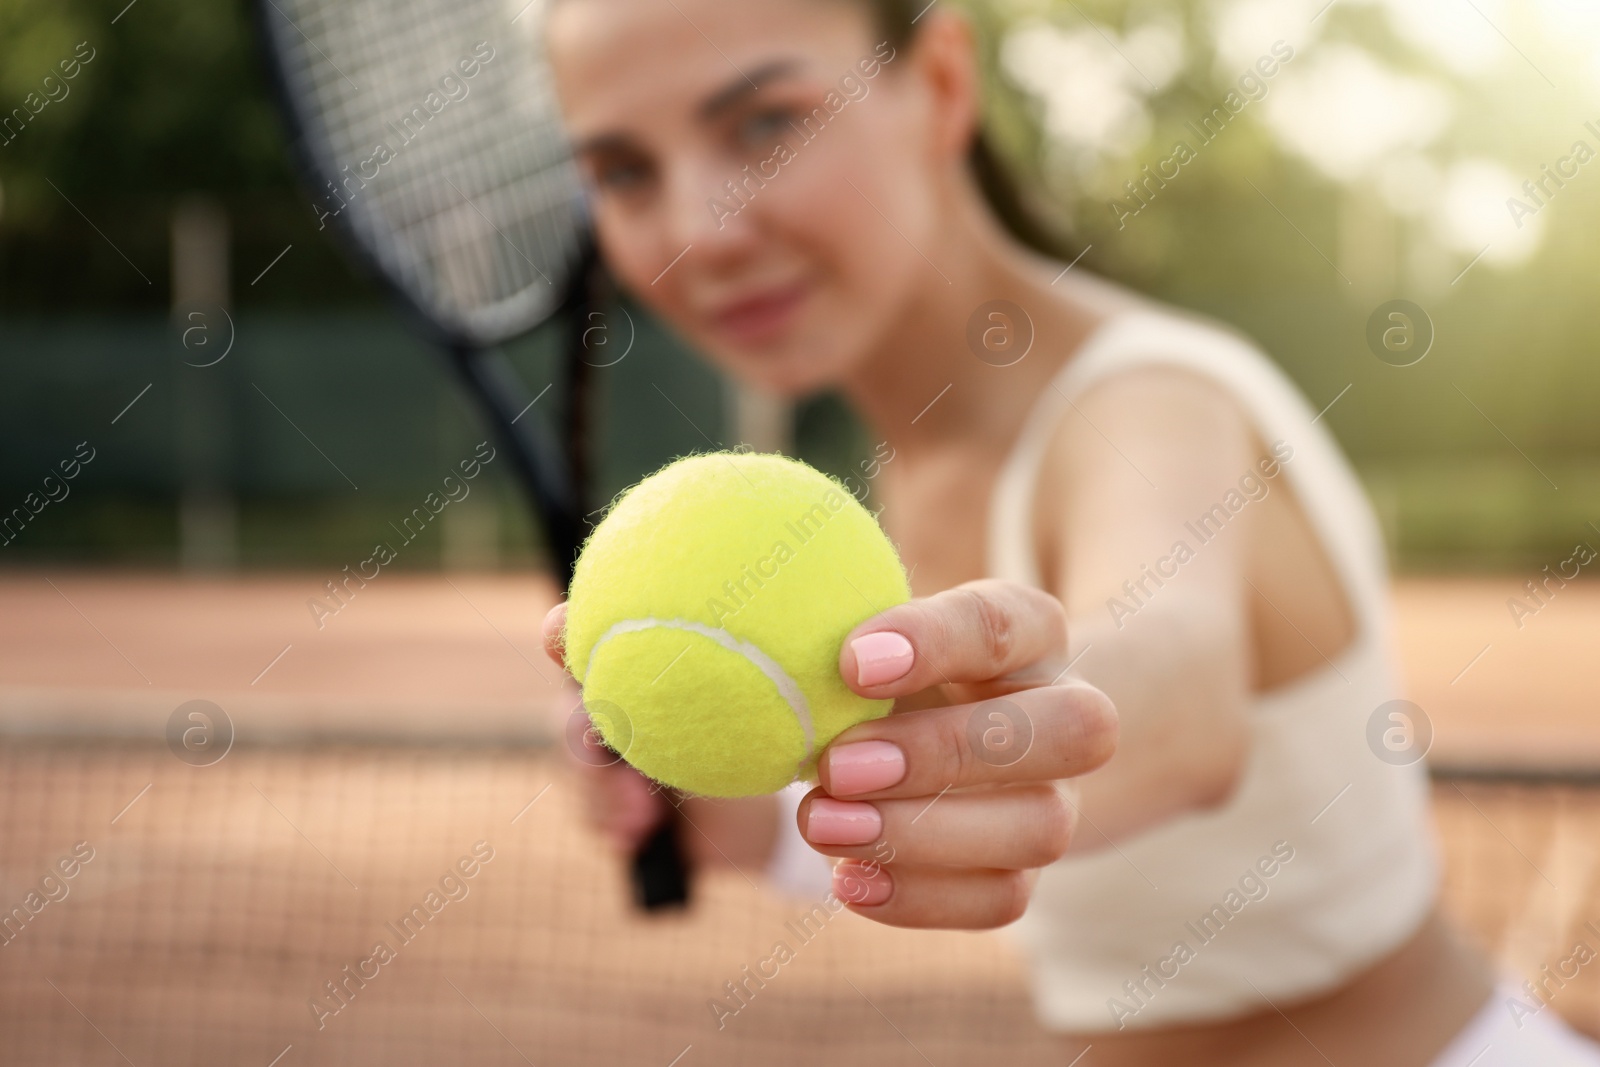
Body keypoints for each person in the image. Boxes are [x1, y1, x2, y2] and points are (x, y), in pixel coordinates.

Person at [535, 0, 1600, 1063]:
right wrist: (765, 822)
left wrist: (1062, 712)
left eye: (767, 123)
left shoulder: (1149, 400)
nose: (700, 231)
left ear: (944, 86)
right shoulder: (890, 484)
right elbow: (945, 783)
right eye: (624, 171)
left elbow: (1174, 672)